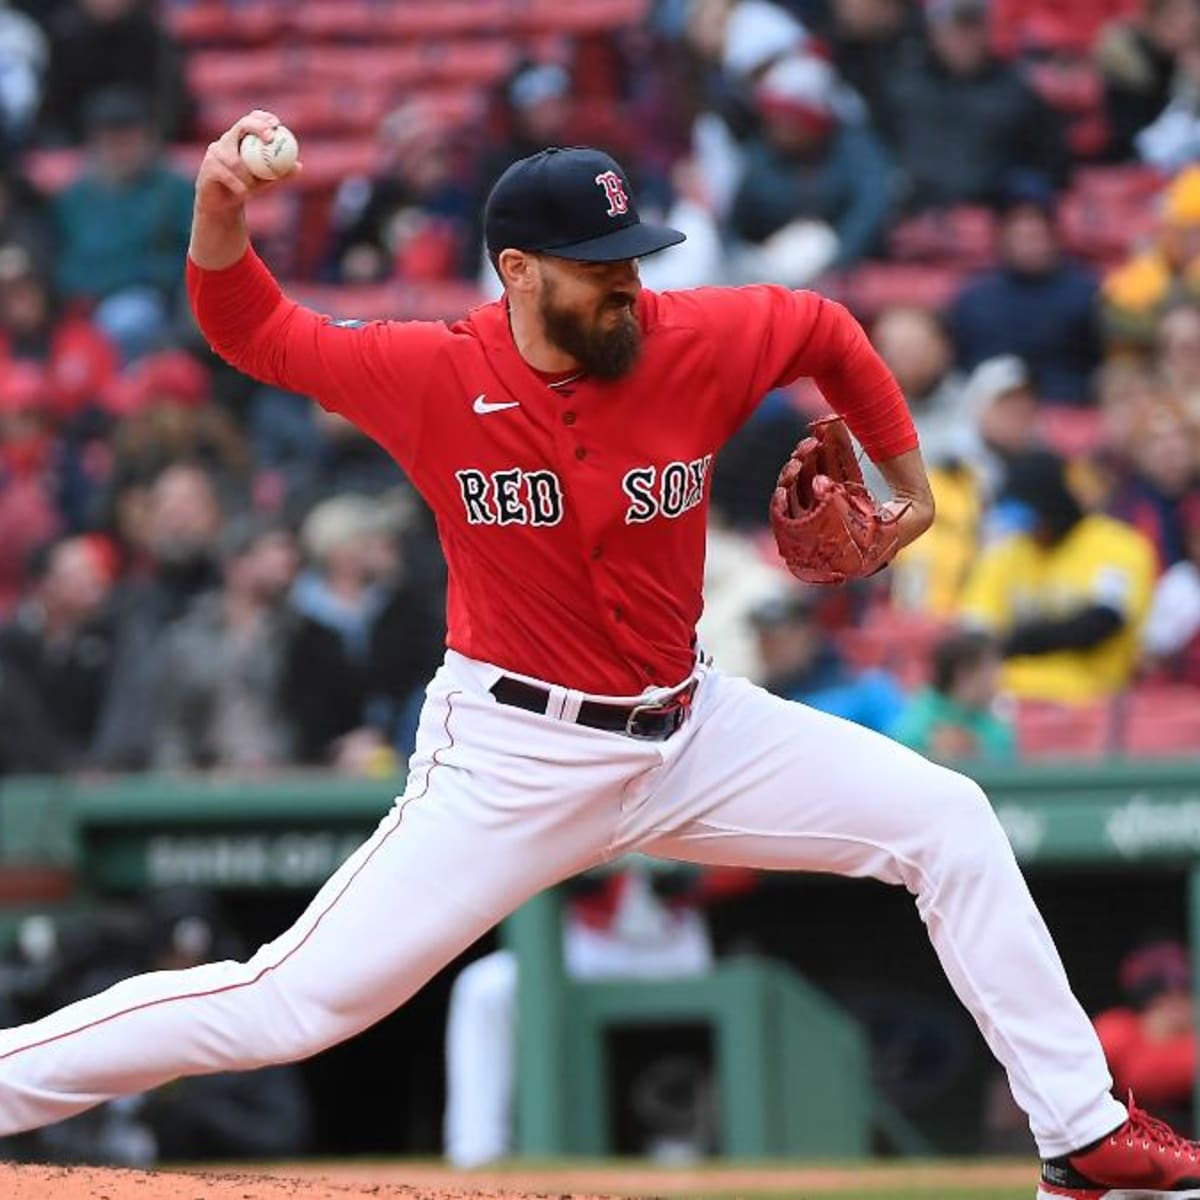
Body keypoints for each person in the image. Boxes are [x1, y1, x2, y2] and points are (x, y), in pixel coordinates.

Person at [0, 113, 1194, 1200]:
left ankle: (1082, 1138)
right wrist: (218, 196)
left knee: (950, 822)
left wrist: (909, 484)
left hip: (692, 732)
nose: (628, 287)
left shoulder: (693, 338)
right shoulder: (431, 371)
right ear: (517, 271)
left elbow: (824, 327)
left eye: (634, 259)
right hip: (511, 754)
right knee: (292, 1001)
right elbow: (245, 323)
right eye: (597, 268)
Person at [959, 449, 1157, 704]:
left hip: (1090, 705)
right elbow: (975, 633)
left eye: (1034, 520)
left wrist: (1021, 639)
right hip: (1007, 701)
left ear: (1054, 510)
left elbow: (1101, 624)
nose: (1030, 531)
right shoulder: (1006, 553)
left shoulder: (1119, 546)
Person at [750, 589, 906, 733]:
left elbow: (905, 745)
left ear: (807, 635)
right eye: (762, 640)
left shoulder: (867, 689)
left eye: (778, 641)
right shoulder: (761, 698)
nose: (768, 650)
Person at [1094, 940, 1196, 1134]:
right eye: (1162, 994)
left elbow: (1145, 1075)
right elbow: (1139, 1078)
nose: (1175, 1003)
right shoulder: (1117, 1029)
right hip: (1122, 1147)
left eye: (1185, 992)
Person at [891, 629, 1015, 761]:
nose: (998, 679)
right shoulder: (917, 722)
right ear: (963, 672)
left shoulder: (997, 730)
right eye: (991, 669)